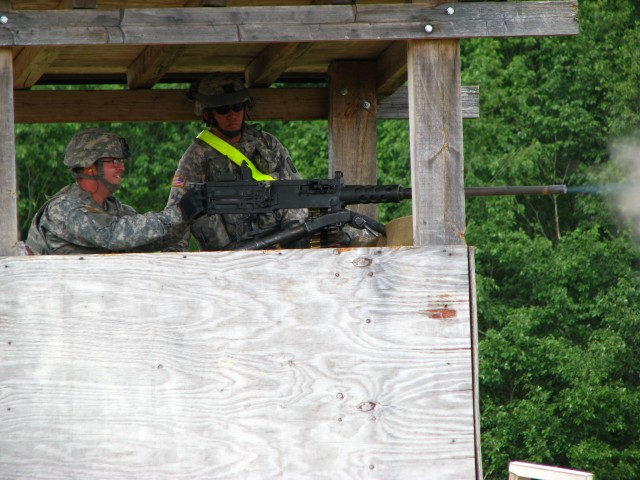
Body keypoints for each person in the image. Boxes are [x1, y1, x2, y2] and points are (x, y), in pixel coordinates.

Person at [164, 75, 308, 251]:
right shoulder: (196, 157)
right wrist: (175, 261)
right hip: (228, 256)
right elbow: (180, 213)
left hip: (277, 246)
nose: (232, 115)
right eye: (223, 110)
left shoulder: (267, 144)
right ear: (207, 114)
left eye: (238, 107)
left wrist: (294, 232)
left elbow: (296, 190)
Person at [25, 128, 206, 255]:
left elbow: (151, 240)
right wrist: (178, 212)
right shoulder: (62, 210)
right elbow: (111, 235)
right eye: (114, 162)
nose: (122, 168)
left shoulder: (115, 210)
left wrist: (188, 216)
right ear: (90, 167)